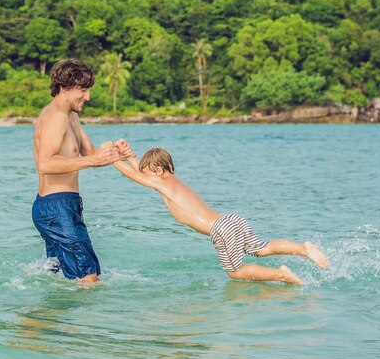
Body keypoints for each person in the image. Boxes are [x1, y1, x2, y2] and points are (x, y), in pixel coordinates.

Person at [112, 141, 329, 284]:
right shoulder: (172, 181)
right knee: (261, 249)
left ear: (159, 171)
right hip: (231, 219)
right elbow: (143, 172)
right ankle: (303, 248)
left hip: (220, 228)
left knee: (235, 272)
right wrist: (129, 155)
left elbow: (136, 177)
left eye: (149, 172)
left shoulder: (163, 184)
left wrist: (112, 159)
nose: (147, 176)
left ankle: (281, 275)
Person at [32, 59, 127, 283]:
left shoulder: (71, 115)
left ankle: (51, 315)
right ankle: (88, 318)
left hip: (65, 205)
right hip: (55, 207)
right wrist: (92, 161)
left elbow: (90, 153)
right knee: (88, 275)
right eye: (83, 90)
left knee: (61, 277)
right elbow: (45, 164)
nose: (88, 97)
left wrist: (115, 153)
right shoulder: (56, 116)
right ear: (64, 87)